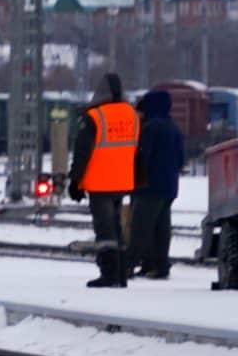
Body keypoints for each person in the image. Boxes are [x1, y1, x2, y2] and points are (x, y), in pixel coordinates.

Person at [68, 72, 139, 288]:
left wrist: (75, 182)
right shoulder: (131, 114)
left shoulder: (94, 117)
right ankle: (120, 274)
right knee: (116, 228)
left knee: (105, 230)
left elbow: (82, 153)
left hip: (100, 182)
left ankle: (109, 275)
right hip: (123, 181)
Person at [130, 88, 185, 279]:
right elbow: (180, 159)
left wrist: (134, 181)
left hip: (149, 187)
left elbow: (142, 157)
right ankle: (157, 266)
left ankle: (127, 266)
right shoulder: (174, 127)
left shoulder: (150, 128)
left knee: (140, 228)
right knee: (161, 230)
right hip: (169, 187)